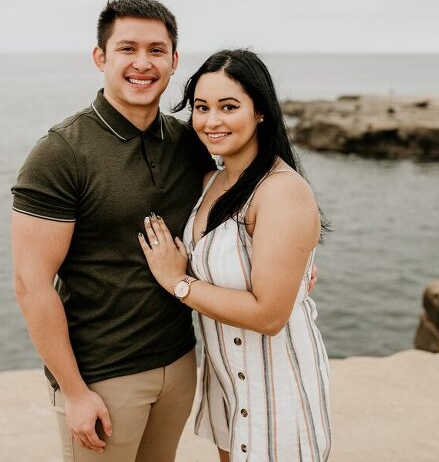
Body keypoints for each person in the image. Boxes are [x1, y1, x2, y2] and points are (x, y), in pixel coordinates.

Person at [10, 0, 216, 461]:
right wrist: (75, 392)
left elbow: (238, 203)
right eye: (127, 48)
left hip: (180, 360)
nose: (143, 63)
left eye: (156, 50)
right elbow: (31, 283)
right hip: (103, 375)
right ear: (100, 57)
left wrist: (293, 256)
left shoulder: (188, 142)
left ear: (174, 61)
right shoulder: (61, 152)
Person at [138, 49, 332, 462]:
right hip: (227, 382)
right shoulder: (210, 182)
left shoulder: (281, 190)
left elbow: (270, 315)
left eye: (229, 107)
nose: (212, 121)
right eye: (201, 107)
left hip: (278, 388)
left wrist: (177, 282)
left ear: (260, 111)